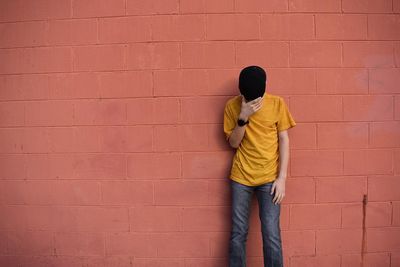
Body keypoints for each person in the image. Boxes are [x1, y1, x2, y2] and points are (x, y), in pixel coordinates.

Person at [223, 65, 297, 267]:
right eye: (249, 98)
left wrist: (282, 179)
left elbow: (284, 140)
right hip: (241, 177)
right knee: (238, 232)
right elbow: (233, 143)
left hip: (269, 178)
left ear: (266, 86)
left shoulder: (277, 103)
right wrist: (243, 116)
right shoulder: (232, 106)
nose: (254, 102)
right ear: (241, 92)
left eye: (257, 98)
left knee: (271, 233)